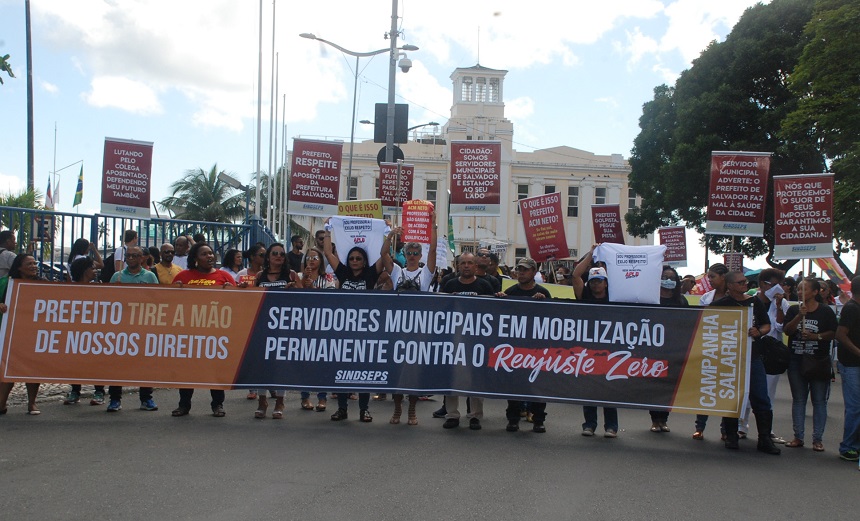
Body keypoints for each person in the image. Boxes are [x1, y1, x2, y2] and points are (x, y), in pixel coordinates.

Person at [322, 221, 394, 422]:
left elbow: (383, 255)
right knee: (343, 369)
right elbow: (328, 253)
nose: (354, 261)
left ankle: (364, 409)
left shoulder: (371, 273)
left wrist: (387, 234)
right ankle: (342, 408)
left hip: (365, 329)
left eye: (358, 258)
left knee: (363, 371)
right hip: (344, 328)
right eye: (352, 258)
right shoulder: (343, 273)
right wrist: (328, 229)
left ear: (364, 261)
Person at [709, 271, 780, 454]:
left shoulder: (754, 302)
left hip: (753, 356)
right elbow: (708, 327)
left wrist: (759, 332)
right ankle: (731, 435)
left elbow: (766, 325)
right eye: (740, 282)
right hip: (729, 358)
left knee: (760, 398)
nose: (744, 285)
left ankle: (764, 439)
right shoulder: (719, 305)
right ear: (730, 285)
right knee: (731, 397)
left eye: (745, 282)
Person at [170, 243, 237, 417]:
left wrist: (232, 293)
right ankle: (184, 405)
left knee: (215, 370)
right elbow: (171, 303)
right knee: (187, 370)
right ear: (195, 259)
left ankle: (218, 405)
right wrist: (174, 291)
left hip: (216, 331)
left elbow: (237, 304)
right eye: (204, 254)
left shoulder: (225, 276)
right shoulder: (183, 276)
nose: (210, 257)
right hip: (190, 332)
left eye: (211, 253)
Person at [440, 252, 495, 431]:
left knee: (475, 377)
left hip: (476, 340)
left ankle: (475, 416)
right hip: (454, 339)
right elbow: (440, 310)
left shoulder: (484, 285)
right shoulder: (449, 285)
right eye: (462, 263)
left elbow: (493, 311)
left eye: (470, 263)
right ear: (458, 266)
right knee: (452, 377)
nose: (466, 266)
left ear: (475, 266)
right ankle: (452, 415)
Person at [783, 278, 838, 452]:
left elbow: (833, 333)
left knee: (819, 401)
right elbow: (788, 331)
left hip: (818, 360)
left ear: (815, 292)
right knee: (799, 399)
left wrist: (816, 337)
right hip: (796, 359)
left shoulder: (826, 312)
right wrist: (800, 315)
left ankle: (818, 439)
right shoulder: (793, 310)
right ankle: (798, 436)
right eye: (799, 289)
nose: (800, 292)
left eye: (804, 289)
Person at [497, 257, 550, 433]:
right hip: (515, 349)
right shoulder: (510, 292)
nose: (521, 273)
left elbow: (552, 320)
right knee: (514, 384)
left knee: (537, 385)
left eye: (525, 270)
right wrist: (499, 301)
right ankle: (513, 419)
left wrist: (543, 303)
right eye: (519, 269)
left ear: (534, 272)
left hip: (537, 348)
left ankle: (538, 419)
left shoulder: (543, 292)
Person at [737, 268, 789, 443]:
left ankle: (767, 430)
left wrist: (780, 306)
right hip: (751, 350)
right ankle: (741, 426)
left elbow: (781, 326)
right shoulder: (750, 301)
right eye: (773, 285)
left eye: (780, 285)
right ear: (762, 284)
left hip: (771, 352)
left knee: (768, 392)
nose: (777, 288)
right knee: (746, 389)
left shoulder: (782, 303)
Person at [572, 245, 618, 438]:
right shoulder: (584, 296)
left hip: (609, 348)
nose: (596, 285)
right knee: (589, 387)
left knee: (609, 387)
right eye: (593, 281)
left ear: (606, 283)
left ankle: (611, 427)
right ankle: (589, 424)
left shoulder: (614, 297)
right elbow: (575, 276)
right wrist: (591, 254)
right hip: (588, 348)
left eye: (600, 281)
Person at [107, 246, 159, 412]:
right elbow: (109, 300)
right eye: (128, 256)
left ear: (142, 258)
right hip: (121, 326)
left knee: (145, 364)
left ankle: (146, 399)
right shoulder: (117, 276)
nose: (130, 258)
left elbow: (158, 299)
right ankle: (115, 399)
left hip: (143, 326)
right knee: (117, 365)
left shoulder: (150, 276)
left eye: (134, 255)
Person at [0, 254, 43, 415]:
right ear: (19, 267)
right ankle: (1, 403)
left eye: (35, 263)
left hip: (34, 334)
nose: (34, 266)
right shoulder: (6, 283)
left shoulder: (43, 283)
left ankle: (32, 403)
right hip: (10, 334)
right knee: (7, 368)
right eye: (29, 263)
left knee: (33, 369)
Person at [692, 262, 731, 440]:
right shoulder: (707, 298)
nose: (710, 280)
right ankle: (700, 427)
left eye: (713, 277)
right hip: (708, 347)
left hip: (730, 349)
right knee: (705, 389)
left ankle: (725, 429)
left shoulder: (735, 298)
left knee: (727, 389)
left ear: (723, 277)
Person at [62, 257, 107, 406]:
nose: (95, 271)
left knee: (97, 362)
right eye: (92, 268)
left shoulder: (100, 288)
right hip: (76, 331)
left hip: (95, 331)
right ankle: (75, 390)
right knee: (75, 362)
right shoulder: (70, 289)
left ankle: (99, 391)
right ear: (83, 270)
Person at [649, 265, 688, 433]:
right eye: (665, 276)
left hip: (673, 349)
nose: (669, 280)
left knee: (667, 386)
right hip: (653, 349)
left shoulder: (681, 301)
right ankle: (654, 420)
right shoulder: (650, 298)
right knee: (654, 386)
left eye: (672, 278)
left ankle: (663, 420)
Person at [298, 246, 337, 413]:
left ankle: (322, 398)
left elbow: (329, 298)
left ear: (321, 261)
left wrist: (312, 287)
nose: (311, 261)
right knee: (305, 362)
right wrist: (303, 282)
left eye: (315, 258)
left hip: (322, 325)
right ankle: (305, 397)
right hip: (304, 325)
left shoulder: (327, 278)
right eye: (308, 258)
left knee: (322, 362)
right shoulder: (299, 276)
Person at [835, 275, 860, 462]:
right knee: (854, 406)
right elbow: (841, 334)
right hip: (851, 364)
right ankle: (848, 446)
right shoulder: (851, 308)